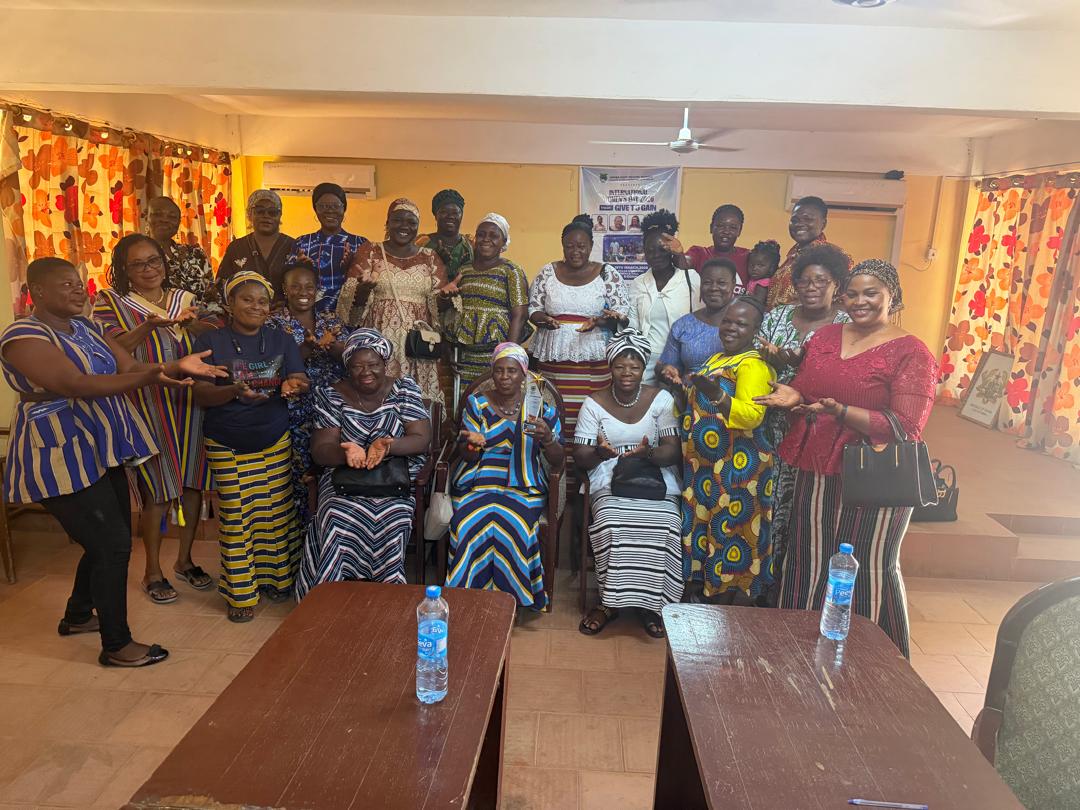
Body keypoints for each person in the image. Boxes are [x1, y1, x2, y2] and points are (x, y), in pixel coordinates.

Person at [1, 257, 226, 666]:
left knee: (110, 535)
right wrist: (154, 374)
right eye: (65, 284)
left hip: (103, 443)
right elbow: (74, 383)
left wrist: (172, 366)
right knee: (112, 544)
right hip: (59, 451)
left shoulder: (87, 328)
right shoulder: (22, 335)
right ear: (37, 292)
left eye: (78, 282)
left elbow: (133, 367)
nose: (76, 289)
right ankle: (117, 646)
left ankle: (77, 615)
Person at [754, 260, 937, 656]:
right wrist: (792, 396)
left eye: (871, 293)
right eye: (852, 294)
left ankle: (873, 660)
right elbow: (807, 388)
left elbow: (906, 426)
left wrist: (841, 412)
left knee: (867, 566)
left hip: (876, 474)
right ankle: (798, 651)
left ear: (892, 296)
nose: (859, 302)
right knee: (806, 558)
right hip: (815, 464)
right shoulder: (824, 337)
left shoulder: (911, 352)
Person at [93, 234, 220, 605]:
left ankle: (184, 560)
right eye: (138, 264)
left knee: (194, 484)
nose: (149, 269)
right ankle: (152, 570)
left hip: (190, 402)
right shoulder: (111, 302)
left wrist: (198, 326)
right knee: (159, 489)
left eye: (154, 261)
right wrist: (150, 325)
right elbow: (116, 352)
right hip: (146, 402)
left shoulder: (186, 299)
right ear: (124, 269)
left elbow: (215, 333)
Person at [192, 270, 310, 622]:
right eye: (247, 299)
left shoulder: (280, 339)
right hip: (227, 440)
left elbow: (300, 377)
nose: (256, 307)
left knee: (276, 512)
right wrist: (233, 391)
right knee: (237, 515)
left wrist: (293, 384)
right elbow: (200, 394)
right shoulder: (210, 341)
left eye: (262, 301)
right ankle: (241, 594)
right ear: (230, 303)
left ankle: (277, 581)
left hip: (273, 437)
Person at [298, 329, 432, 596]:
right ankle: (331, 596)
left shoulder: (403, 389)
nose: (366, 372)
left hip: (395, 479)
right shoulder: (331, 395)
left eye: (373, 365)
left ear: (385, 363)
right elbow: (321, 449)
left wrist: (388, 446)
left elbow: (421, 439)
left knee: (394, 518)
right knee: (334, 516)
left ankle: (386, 597)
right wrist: (346, 454)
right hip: (344, 479)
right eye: (357, 366)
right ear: (347, 367)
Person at [573, 330, 683, 638]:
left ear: (643, 367)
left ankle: (653, 605)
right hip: (609, 473)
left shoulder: (661, 399)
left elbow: (673, 451)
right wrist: (600, 452)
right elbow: (580, 455)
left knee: (668, 523)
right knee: (612, 522)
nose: (627, 373)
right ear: (610, 367)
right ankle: (608, 603)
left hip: (654, 473)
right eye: (620, 366)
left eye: (634, 367)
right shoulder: (593, 402)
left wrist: (648, 453)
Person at [755, 244, 851, 589]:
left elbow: (843, 376)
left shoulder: (845, 325)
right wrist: (772, 360)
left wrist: (800, 385)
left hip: (817, 427)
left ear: (836, 285)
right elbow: (757, 358)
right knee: (768, 501)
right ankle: (766, 582)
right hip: (770, 425)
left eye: (821, 281)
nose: (812, 287)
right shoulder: (776, 317)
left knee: (804, 507)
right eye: (805, 281)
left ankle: (800, 584)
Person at [446, 343, 562, 610]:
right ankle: (469, 599)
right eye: (499, 370)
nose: (505, 377)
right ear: (492, 372)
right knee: (466, 523)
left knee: (516, 524)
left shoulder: (540, 409)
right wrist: (472, 445)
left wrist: (548, 438)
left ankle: (511, 602)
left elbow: (557, 460)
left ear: (523, 374)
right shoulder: (477, 403)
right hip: (477, 481)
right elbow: (467, 456)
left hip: (525, 484)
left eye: (512, 371)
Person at [679, 297, 776, 604]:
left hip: (738, 470)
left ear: (756, 331)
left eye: (741, 324)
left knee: (732, 535)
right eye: (728, 321)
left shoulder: (753, 366)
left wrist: (718, 396)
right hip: (707, 468)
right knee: (709, 532)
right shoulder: (718, 358)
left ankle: (730, 610)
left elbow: (752, 415)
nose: (731, 328)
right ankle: (707, 601)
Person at [337, 198, 449, 404]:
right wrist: (364, 289)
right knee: (379, 398)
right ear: (387, 223)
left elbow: (438, 307)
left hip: (417, 344)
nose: (404, 226)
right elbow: (350, 310)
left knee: (416, 401)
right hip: (380, 339)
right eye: (398, 220)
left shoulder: (430, 256)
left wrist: (445, 297)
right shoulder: (370, 250)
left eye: (412, 222)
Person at [528, 214, 629, 438]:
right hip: (553, 358)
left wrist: (600, 321)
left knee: (590, 414)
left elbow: (622, 314)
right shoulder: (548, 272)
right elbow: (533, 309)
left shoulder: (607, 273)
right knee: (554, 411)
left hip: (594, 360)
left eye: (582, 246)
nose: (576, 251)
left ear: (591, 245)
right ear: (562, 246)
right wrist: (544, 320)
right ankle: (556, 456)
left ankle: (586, 456)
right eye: (569, 246)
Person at [268, 257, 347, 525]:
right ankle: (298, 534)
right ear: (285, 288)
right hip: (293, 410)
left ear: (317, 289)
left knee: (329, 470)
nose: (303, 292)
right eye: (296, 286)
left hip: (330, 410)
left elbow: (349, 358)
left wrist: (333, 347)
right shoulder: (273, 324)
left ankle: (327, 530)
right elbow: (273, 367)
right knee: (296, 474)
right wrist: (309, 347)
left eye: (309, 286)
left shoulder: (331, 320)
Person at [444, 213, 528, 386]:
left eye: (493, 235)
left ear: (504, 242)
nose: (485, 239)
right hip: (465, 355)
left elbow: (519, 315)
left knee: (493, 398)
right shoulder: (464, 270)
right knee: (467, 398)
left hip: (496, 355)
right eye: (481, 234)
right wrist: (451, 348)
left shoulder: (511, 270)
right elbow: (455, 312)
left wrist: (508, 355)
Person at [628, 209, 699, 386]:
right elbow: (633, 327)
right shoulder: (638, 284)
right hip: (646, 360)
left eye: (662, 249)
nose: (656, 255)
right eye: (650, 250)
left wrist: (680, 255)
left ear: (671, 249)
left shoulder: (691, 279)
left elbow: (700, 320)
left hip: (680, 360)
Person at [657, 258, 736, 385]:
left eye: (721, 283)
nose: (713, 288)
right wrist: (667, 370)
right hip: (688, 395)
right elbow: (666, 366)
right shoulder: (683, 325)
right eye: (707, 282)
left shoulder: (746, 325)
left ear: (733, 284)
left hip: (737, 397)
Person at [292, 182, 367, 313]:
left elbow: (368, 286)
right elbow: (289, 282)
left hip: (347, 315)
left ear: (344, 209)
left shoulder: (360, 243)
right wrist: (300, 269)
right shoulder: (302, 242)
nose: (330, 210)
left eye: (336, 206)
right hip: (309, 314)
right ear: (315, 209)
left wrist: (351, 268)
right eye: (323, 206)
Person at [767, 195, 850, 310]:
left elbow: (844, 301)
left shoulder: (835, 257)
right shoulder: (791, 257)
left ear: (823, 224)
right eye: (795, 220)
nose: (799, 224)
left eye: (808, 219)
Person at [146, 195, 221, 314]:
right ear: (147, 218)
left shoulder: (196, 254)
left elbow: (212, 296)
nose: (164, 220)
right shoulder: (137, 257)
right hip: (157, 321)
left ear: (178, 223)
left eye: (172, 217)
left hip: (202, 321)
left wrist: (211, 321)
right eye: (158, 214)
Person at [217, 189, 296, 299]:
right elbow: (221, 288)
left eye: (272, 212)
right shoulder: (236, 248)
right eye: (260, 211)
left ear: (279, 215)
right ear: (250, 214)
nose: (266, 216)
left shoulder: (293, 246)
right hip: (246, 309)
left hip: (285, 309)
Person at [668, 204, 750, 293]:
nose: (726, 231)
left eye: (733, 227)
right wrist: (678, 254)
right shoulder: (699, 253)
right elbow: (683, 266)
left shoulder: (748, 257)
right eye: (720, 226)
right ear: (711, 228)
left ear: (739, 231)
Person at [416, 188, 474, 282]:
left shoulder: (471, 245)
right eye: (443, 212)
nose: (450, 216)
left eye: (455, 213)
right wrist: (436, 261)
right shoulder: (422, 243)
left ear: (461, 215)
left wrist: (467, 267)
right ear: (436, 215)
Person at [745, 239, 782, 305]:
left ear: (771, 268)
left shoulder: (763, 283)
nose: (754, 268)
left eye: (760, 265)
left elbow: (758, 302)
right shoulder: (754, 280)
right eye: (752, 265)